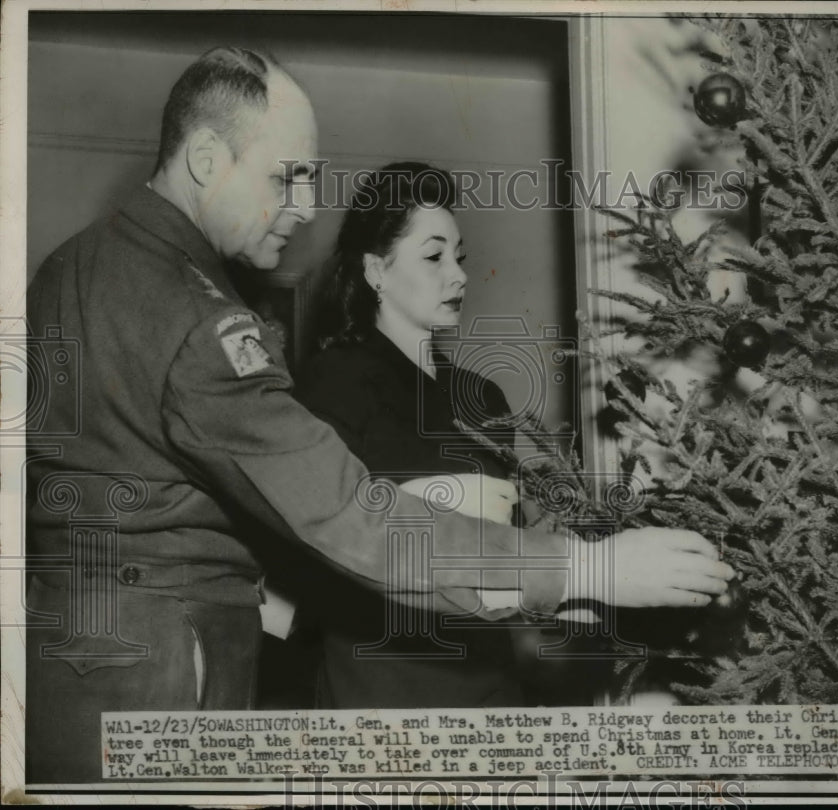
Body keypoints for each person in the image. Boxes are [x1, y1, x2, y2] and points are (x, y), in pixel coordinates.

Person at [24, 46, 735, 784]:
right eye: (286, 176)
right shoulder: (197, 319)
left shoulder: (69, 269)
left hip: (74, 657)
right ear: (206, 157)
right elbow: (353, 520)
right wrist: (587, 567)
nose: (304, 205)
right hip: (170, 671)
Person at [296, 163, 540, 708]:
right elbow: (315, 548)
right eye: (434, 257)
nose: (458, 275)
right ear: (375, 271)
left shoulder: (485, 397)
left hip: (489, 676)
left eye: (460, 257)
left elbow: (513, 546)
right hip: (384, 678)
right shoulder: (333, 381)